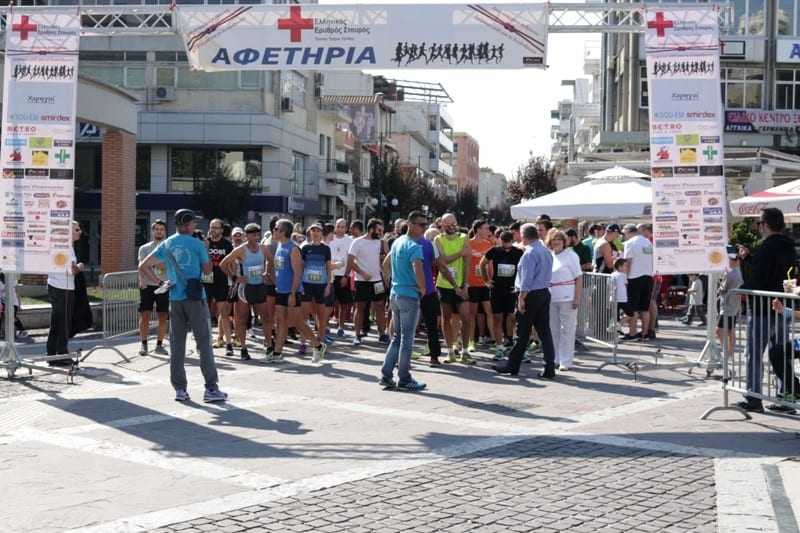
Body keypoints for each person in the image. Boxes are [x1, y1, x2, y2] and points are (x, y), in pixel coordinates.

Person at [138, 209, 227, 403]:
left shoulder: (168, 243)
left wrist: (160, 282)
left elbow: (143, 265)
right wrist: (203, 249)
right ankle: (211, 389)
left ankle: (180, 390)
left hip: (175, 298)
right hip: (195, 298)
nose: (195, 226)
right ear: (187, 224)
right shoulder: (197, 244)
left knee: (177, 345)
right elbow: (207, 269)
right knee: (204, 343)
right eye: (194, 223)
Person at [737, 207, 797, 413]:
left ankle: (754, 397)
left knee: (754, 354)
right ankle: (785, 396)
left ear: (766, 225)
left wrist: (742, 287)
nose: (758, 227)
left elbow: (760, 276)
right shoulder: (789, 246)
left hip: (763, 308)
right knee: (781, 353)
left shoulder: (767, 246)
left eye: (759, 223)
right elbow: (775, 271)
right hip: (782, 306)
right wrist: (748, 258)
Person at [493, 224, 556, 378]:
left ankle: (512, 365)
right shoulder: (546, 251)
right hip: (543, 292)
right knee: (544, 332)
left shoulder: (530, 253)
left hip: (530, 294)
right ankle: (549, 367)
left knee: (522, 333)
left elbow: (527, 279)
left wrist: (521, 298)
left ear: (523, 235)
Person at [379, 211, 428, 392]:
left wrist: (394, 279)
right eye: (422, 224)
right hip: (408, 296)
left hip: (395, 294)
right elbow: (418, 268)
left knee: (398, 338)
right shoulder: (414, 246)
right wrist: (422, 288)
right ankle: (404, 378)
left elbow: (385, 265)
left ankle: (386, 374)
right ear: (411, 224)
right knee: (407, 339)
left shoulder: (398, 242)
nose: (424, 228)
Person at [220, 223, 270, 361]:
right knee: (242, 319)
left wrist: (267, 272)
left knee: (265, 317)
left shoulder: (263, 248)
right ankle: (243, 348)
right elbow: (223, 264)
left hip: (259, 286)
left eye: (257, 234)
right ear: (246, 236)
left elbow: (271, 261)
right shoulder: (240, 250)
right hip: (244, 289)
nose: (255, 237)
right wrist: (235, 277)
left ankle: (269, 346)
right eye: (252, 234)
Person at [272, 218, 318, 361]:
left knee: (297, 322)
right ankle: (277, 353)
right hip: (280, 290)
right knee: (281, 321)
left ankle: (318, 345)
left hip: (291, 291)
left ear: (283, 232)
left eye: (276, 229)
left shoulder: (293, 249)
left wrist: (293, 293)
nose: (273, 231)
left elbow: (298, 273)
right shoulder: (280, 246)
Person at [481, 230, 524, 360]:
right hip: (497, 289)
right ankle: (499, 346)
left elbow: (524, 268)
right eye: (504, 242)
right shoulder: (494, 251)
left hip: (511, 289)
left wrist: (520, 284)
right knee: (497, 318)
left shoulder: (518, 252)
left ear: (512, 241)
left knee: (511, 317)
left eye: (509, 242)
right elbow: (482, 263)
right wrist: (487, 281)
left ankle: (510, 341)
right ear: (500, 240)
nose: (506, 244)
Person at [435, 213, 471, 363]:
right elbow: (443, 262)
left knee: (466, 317)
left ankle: (465, 351)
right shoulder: (438, 239)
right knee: (446, 318)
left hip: (461, 284)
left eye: (453, 223)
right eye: (447, 224)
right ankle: (450, 351)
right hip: (444, 284)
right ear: (442, 226)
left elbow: (467, 261)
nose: (451, 227)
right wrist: (459, 253)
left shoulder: (464, 237)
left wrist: (465, 284)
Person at [46, 221, 83, 366]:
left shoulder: (58, 245)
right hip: (63, 287)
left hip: (55, 285)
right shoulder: (67, 247)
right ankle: (61, 354)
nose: (80, 232)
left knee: (56, 321)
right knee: (64, 322)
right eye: (77, 229)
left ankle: (51, 353)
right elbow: (71, 270)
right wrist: (80, 266)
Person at [346, 218, 388, 345]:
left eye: (382, 230)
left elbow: (387, 260)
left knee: (380, 307)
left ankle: (382, 334)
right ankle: (357, 335)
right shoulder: (357, 242)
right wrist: (363, 273)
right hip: (362, 281)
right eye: (379, 230)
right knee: (360, 307)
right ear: (371, 229)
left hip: (377, 281)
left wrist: (385, 277)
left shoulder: (380, 242)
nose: (381, 232)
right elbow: (350, 262)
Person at [546, 230, 582, 371]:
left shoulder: (571, 255)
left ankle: (566, 361)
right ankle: (555, 358)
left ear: (564, 241)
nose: (556, 242)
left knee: (567, 329)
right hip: (551, 297)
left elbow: (579, 277)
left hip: (568, 297)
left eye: (559, 240)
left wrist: (577, 298)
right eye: (554, 239)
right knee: (553, 329)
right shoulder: (550, 255)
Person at [300, 222, 333, 363]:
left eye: (318, 231)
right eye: (313, 231)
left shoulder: (326, 249)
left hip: (321, 285)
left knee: (321, 316)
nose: (315, 233)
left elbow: (328, 268)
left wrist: (328, 285)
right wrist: (300, 284)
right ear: (310, 233)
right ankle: (303, 343)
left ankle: (319, 344)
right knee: (304, 315)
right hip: (307, 284)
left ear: (322, 233)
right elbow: (301, 267)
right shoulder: (305, 247)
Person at [137, 219, 169, 356]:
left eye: (161, 229)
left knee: (162, 316)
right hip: (148, 286)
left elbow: (171, 266)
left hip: (165, 286)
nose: (159, 231)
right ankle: (143, 344)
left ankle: (159, 344)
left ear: (165, 231)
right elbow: (141, 267)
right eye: (156, 229)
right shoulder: (144, 248)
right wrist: (142, 280)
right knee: (145, 315)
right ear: (153, 231)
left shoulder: (170, 248)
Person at [465, 219, 495, 357]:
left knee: (489, 312)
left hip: (485, 284)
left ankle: (495, 340)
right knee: (472, 314)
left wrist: (490, 280)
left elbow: (490, 265)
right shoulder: (468, 243)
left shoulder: (488, 244)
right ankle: (471, 341)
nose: (488, 231)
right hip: (472, 284)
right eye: (486, 228)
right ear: (478, 230)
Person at [205, 218, 234, 353]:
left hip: (221, 281)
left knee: (223, 313)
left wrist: (233, 278)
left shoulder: (227, 245)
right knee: (204, 314)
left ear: (222, 230)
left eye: (216, 227)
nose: (213, 230)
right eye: (211, 227)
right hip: (206, 281)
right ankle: (205, 343)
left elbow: (231, 263)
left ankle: (228, 344)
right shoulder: (205, 242)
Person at [622, 224, 654, 340]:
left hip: (635, 277)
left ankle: (632, 333)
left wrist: (625, 277)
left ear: (629, 232)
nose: (624, 236)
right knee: (645, 308)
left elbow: (628, 262)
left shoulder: (630, 243)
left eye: (624, 234)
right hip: (648, 276)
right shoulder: (648, 242)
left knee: (633, 308)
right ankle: (644, 333)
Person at [419, 227, 443, 367]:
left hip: (409, 290)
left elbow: (386, 264)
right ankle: (434, 357)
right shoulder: (430, 245)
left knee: (405, 328)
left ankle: (401, 358)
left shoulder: (401, 242)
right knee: (431, 325)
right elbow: (438, 264)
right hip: (427, 289)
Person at [716, 247, 743, 362]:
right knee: (730, 330)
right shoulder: (738, 271)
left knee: (719, 330)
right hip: (733, 305)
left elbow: (723, 289)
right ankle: (729, 353)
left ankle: (726, 352)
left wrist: (718, 286)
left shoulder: (731, 273)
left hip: (727, 306)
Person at [329, 218, 354, 338]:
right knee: (329, 303)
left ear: (346, 228)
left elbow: (351, 260)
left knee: (343, 304)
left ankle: (341, 327)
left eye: (343, 227)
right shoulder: (330, 239)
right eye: (338, 226)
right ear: (335, 227)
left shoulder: (350, 241)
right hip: (330, 275)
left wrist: (346, 275)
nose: (340, 229)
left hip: (343, 275)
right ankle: (326, 326)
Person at [612, 258, 633, 326]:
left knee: (615, 316)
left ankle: (615, 328)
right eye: (625, 266)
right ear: (620, 267)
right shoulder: (623, 275)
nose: (627, 268)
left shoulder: (612, 274)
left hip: (614, 298)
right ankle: (619, 324)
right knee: (630, 313)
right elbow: (626, 285)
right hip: (622, 299)